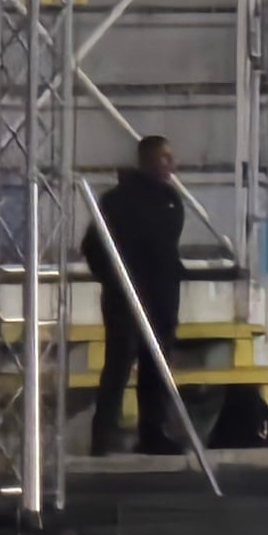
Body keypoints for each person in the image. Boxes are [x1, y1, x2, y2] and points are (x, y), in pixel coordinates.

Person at [85, 134, 191, 455]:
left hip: (162, 297)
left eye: (171, 157)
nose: (170, 164)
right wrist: (115, 281)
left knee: (156, 364)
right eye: (163, 158)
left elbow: (167, 245)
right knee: (118, 364)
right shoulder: (117, 200)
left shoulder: (171, 198)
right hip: (125, 298)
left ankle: (153, 431)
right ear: (146, 160)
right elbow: (93, 247)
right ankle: (103, 435)